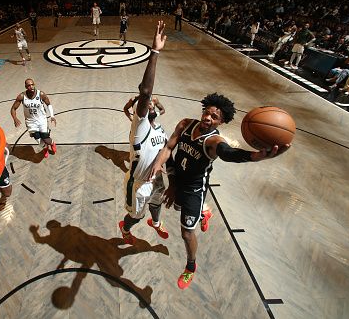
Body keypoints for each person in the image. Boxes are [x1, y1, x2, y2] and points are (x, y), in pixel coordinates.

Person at [149, 94, 290, 290]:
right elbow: (169, 147)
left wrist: (256, 156)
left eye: (214, 117)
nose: (208, 117)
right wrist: (158, 165)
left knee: (187, 233)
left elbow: (228, 153)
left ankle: (191, 266)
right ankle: (204, 212)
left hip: (194, 189)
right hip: (178, 180)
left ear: (221, 122)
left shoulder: (214, 141)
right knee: (177, 207)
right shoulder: (185, 125)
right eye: (206, 112)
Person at [119, 20, 169, 245]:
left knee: (157, 202)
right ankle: (125, 228)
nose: (149, 103)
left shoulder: (159, 126)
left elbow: (167, 150)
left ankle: (156, 223)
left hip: (157, 178)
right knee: (134, 217)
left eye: (150, 102)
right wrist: (155, 52)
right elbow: (146, 91)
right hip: (138, 184)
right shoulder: (140, 127)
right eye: (145, 102)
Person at [10, 78, 57, 158]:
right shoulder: (22, 96)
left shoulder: (41, 94)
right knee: (39, 140)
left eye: (32, 84)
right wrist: (15, 118)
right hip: (30, 121)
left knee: (45, 139)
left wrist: (52, 116)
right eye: (28, 85)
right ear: (25, 87)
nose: (31, 87)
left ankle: (52, 143)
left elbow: (48, 104)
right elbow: (13, 109)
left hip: (42, 120)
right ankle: (45, 148)